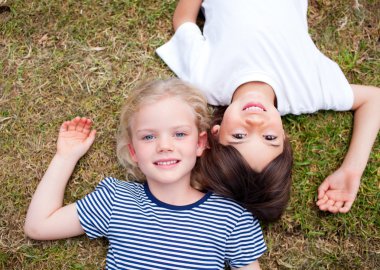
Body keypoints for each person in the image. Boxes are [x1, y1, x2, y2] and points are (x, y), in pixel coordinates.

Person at [156, 0, 380, 217]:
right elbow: (374, 99)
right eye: (270, 137)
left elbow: (184, 21)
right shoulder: (307, 91)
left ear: (215, 132)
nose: (255, 122)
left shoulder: (204, 81)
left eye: (239, 135)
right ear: (284, 135)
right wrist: (352, 169)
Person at [24, 78, 267, 269]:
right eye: (149, 136)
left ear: (200, 143)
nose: (164, 146)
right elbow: (38, 227)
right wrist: (65, 157)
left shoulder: (231, 217)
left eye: (179, 134)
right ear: (134, 152)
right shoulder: (116, 200)